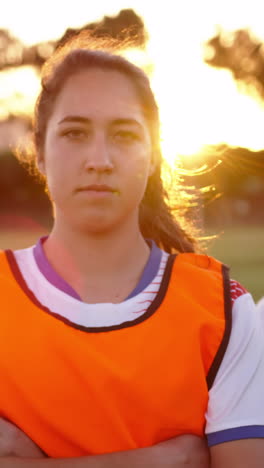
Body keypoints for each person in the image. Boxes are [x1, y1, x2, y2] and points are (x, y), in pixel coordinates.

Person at [0, 32, 264, 467]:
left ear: (154, 154)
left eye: (124, 135)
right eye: (75, 133)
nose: (99, 158)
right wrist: (163, 459)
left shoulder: (222, 311)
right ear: (40, 152)